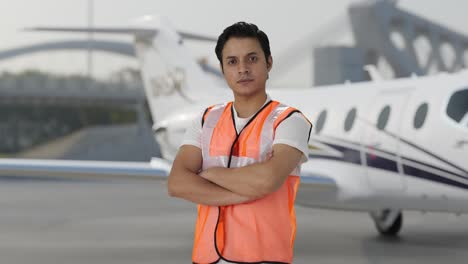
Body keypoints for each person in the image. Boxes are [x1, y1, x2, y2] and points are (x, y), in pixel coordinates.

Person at [168, 21, 312, 264]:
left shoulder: (290, 121)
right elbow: (177, 183)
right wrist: (246, 191)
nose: (243, 69)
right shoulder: (206, 120)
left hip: (264, 258)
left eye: (252, 59)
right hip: (207, 258)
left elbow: (267, 180)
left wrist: (209, 173)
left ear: (269, 63)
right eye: (232, 62)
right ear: (223, 69)